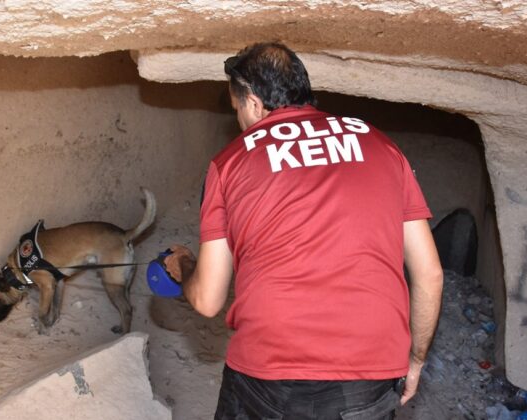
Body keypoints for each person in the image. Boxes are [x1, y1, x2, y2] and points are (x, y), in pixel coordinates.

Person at [163, 43, 443, 420]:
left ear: (255, 103)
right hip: (370, 372)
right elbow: (429, 274)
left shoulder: (229, 163)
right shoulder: (381, 144)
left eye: (237, 109)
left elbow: (209, 299)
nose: (241, 121)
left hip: (270, 372)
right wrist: (417, 359)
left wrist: (183, 270)